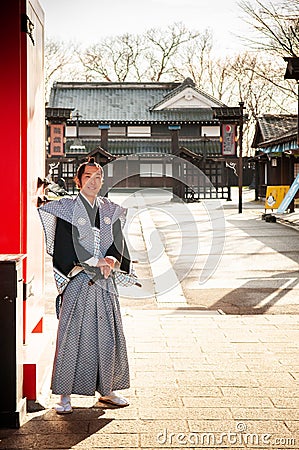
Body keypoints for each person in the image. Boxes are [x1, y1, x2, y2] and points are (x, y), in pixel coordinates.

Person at [38, 157, 131, 414]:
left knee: (108, 334)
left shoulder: (110, 209)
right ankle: (64, 395)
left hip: (105, 281)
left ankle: (108, 390)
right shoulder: (67, 208)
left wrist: (112, 258)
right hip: (78, 279)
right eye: (88, 176)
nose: (93, 181)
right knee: (72, 336)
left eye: (98, 177)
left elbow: (118, 243)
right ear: (78, 181)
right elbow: (64, 247)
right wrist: (94, 260)